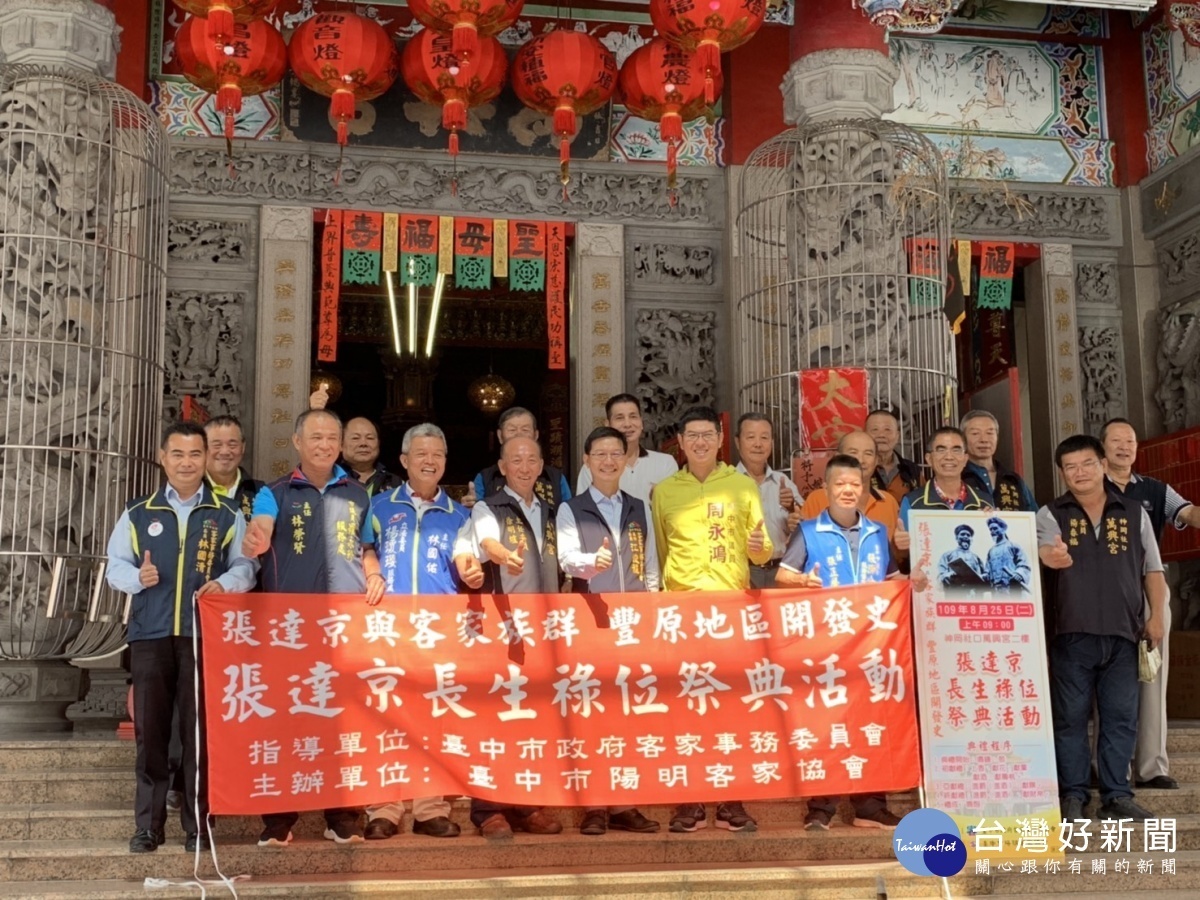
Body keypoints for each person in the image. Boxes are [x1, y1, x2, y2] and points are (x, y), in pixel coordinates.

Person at [105, 422, 258, 854]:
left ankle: (198, 826)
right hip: (151, 634)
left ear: (206, 457)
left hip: (202, 635)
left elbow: (247, 566)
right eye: (178, 454)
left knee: (198, 734)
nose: (187, 463)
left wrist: (227, 583)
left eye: (195, 454)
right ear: (162, 457)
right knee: (150, 735)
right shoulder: (139, 512)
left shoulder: (226, 515)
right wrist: (138, 576)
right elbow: (114, 567)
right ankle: (148, 828)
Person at [242, 407, 386, 846]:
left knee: (344, 723)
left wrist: (374, 571)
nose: (324, 445)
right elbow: (260, 526)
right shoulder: (275, 492)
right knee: (288, 722)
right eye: (315, 437)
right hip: (291, 629)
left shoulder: (358, 494)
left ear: (339, 445)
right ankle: (278, 821)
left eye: (331, 438)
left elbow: (367, 545)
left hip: (344, 625)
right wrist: (257, 537)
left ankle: (342, 817)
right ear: (297, 443)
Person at [651, 405, 771, 833]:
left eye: (707, 434)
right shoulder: (664, 491)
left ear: (721, 440)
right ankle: (690, 802)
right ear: (679, 444)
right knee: (684, 708)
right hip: (681, 614)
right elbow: (661, 553)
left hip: (730, 612)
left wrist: (758, 546)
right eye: (691, 436)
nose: (700, 442)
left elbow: (762, 554)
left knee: (731, 708)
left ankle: (730, 800)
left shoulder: (742, 485)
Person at [1037, 434, 1168, 823]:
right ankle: (1074, 794)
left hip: (1124, 633)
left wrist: (1156, 616)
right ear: (1062, 473)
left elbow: (1154, 570)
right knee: (1071, 718)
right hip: (1071, 634)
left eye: (1087, 464)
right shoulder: (1050, 513)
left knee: (1120, 717)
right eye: (1071, 467)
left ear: (1103, 466)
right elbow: (1041, 551)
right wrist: (1050, 556)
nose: (1080, 473)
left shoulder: (1133, 512)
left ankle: (1116, 795)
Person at [776, 454, 902, 829]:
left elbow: (892, 578)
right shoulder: (810, 531)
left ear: (863, 489)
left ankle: (870, 805)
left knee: (870, 724)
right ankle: (821, 806)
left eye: (855, 484)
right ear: (826, 489)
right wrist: (803, 581)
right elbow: (782, 576)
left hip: (871, 646)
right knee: (827, 725)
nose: (848, 490)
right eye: (840, 484)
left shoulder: (878, 532)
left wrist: (914, 582)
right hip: (824, 647)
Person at [452, 436, 564, 838]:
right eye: (516, 460)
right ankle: (487, 809)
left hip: (543, 629)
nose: (524, 466)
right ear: (502, 467)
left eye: (532, 459)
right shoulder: (488, 506)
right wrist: (501, 554)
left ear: (540, 466)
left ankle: (526, 804)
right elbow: (484, 542)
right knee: (495, 718)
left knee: (532, 719)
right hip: (503, 630)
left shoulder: (553, 511)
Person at [362, 423, 467, 841]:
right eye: (421, 454)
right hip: (389, 628)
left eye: (437, 454)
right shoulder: (380, 506)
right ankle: (384, 809)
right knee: (384, 718)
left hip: (440, 631)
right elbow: (364, 547)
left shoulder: (461, 514)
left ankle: (430, 809)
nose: (429, 461)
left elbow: (470, 566)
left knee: (435, 720)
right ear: (404, 461)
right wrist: (372, 572)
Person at [558, 426, 661, 836]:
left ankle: (625, 803)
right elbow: (567, 560)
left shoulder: (638, 506)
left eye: (614, 454)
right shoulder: (572, 508)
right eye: (599, 454)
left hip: (633, 622)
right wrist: (592, 564)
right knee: (593, 714)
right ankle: (594, 807)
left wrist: (651, 609)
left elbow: (650, 563)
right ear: (586, 461)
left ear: (625, 458)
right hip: (591, 620)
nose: (607, 461)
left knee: (628, 715)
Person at [164, 414, 262, 815]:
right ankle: (178, 780)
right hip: (190, 619)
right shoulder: (183, 496)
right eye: (216, 445)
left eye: (233, 444)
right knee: (185, 700)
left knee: (242, 697)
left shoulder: (262, 494)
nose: (225, 452)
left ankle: (235, 775)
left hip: (248, 615)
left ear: (243, 447)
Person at [1101, 417, 1200, 791]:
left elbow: (1187, 512)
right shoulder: (1091, 484)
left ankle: (1151, 766)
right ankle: (1109, 767)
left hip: (1149, 589)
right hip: (1102, 592)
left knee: (1151, 676)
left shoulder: (1156, 490)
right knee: (1106, 676)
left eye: (1130, 441)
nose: (1124, 447)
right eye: (1116, 441)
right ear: (1103, 447)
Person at [734, 412, 802, 588]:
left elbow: (802, 527)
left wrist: (793, 512)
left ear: (772, 443)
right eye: (750, 437)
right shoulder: (728, 483)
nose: (758, 444)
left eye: (764, 437)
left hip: (781, 569)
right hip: (742, 571)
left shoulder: (784, 482)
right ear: (737, 442)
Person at [798, 430, 900, 545]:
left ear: (876, 460)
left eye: (868, 454)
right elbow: (804, 548)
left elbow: (894, 555)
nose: (861, 460)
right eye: (853, 452)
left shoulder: (888, 502)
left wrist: (900, 546)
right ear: (837, 457)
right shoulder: (817, 498)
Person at [575, 393, 677, 503]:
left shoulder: (665, 463)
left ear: (641, 422)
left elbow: (675, 509)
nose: (627, 424)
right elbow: (583, 512)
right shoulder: (593, 467)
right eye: (620, 418)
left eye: (633, 417)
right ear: (607, 424)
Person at [465, 406, 571, 510]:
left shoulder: (555, 478)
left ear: (536, 435)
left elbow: (568, 515)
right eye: (512, 430)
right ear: (500, 436)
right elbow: (474, 510)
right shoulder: (486, 478)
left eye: (525, 430)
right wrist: (469, 509)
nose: (519, 435)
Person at [308, 385, 401, 497]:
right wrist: (315, 413)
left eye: (370, 438)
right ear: (340, 445)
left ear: (379, 444)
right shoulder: (328, 478)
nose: (363, 443)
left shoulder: (395, 483)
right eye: (355, 438)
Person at [898, 427, 993, 529]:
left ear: (965, 459)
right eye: (941, 450)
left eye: (956, 450)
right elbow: (904, 539)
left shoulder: (984, 501)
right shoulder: (913, 502)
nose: (949, 457)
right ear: (929, 459)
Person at [960, 410, 1037, 512]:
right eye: (975, 433)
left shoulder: (1013, 480)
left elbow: (1034, 520)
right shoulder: (957, 477)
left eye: (990, 433)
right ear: (962, 439)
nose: (984, 439)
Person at [866, 408, 922, 505]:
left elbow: (921, 504)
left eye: (887, 430)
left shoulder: (911, 470)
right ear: (865, 434)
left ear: (898, 436)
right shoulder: (857, 467)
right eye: (875, 429)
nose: (881, 435)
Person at [983, 515, 1031, 594]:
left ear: (1003, 529)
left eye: (995, 528)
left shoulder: (1013, 546)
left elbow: (1023, 564)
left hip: (1013, 588)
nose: (992, 531)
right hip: (996, 591)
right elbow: (987, 571)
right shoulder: (991, 551)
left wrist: (1019, 574)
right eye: (990, 529)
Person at [936, 524, 987, 589]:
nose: (965, 537)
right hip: (955, 592)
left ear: (971, 539)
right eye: (962, 534)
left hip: (974, 594)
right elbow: (940, 576)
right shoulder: (947, 555)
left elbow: (984, 577)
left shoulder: (977, 558)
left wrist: (982, 577)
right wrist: (949, 575)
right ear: (956, 538)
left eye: (968, 535)